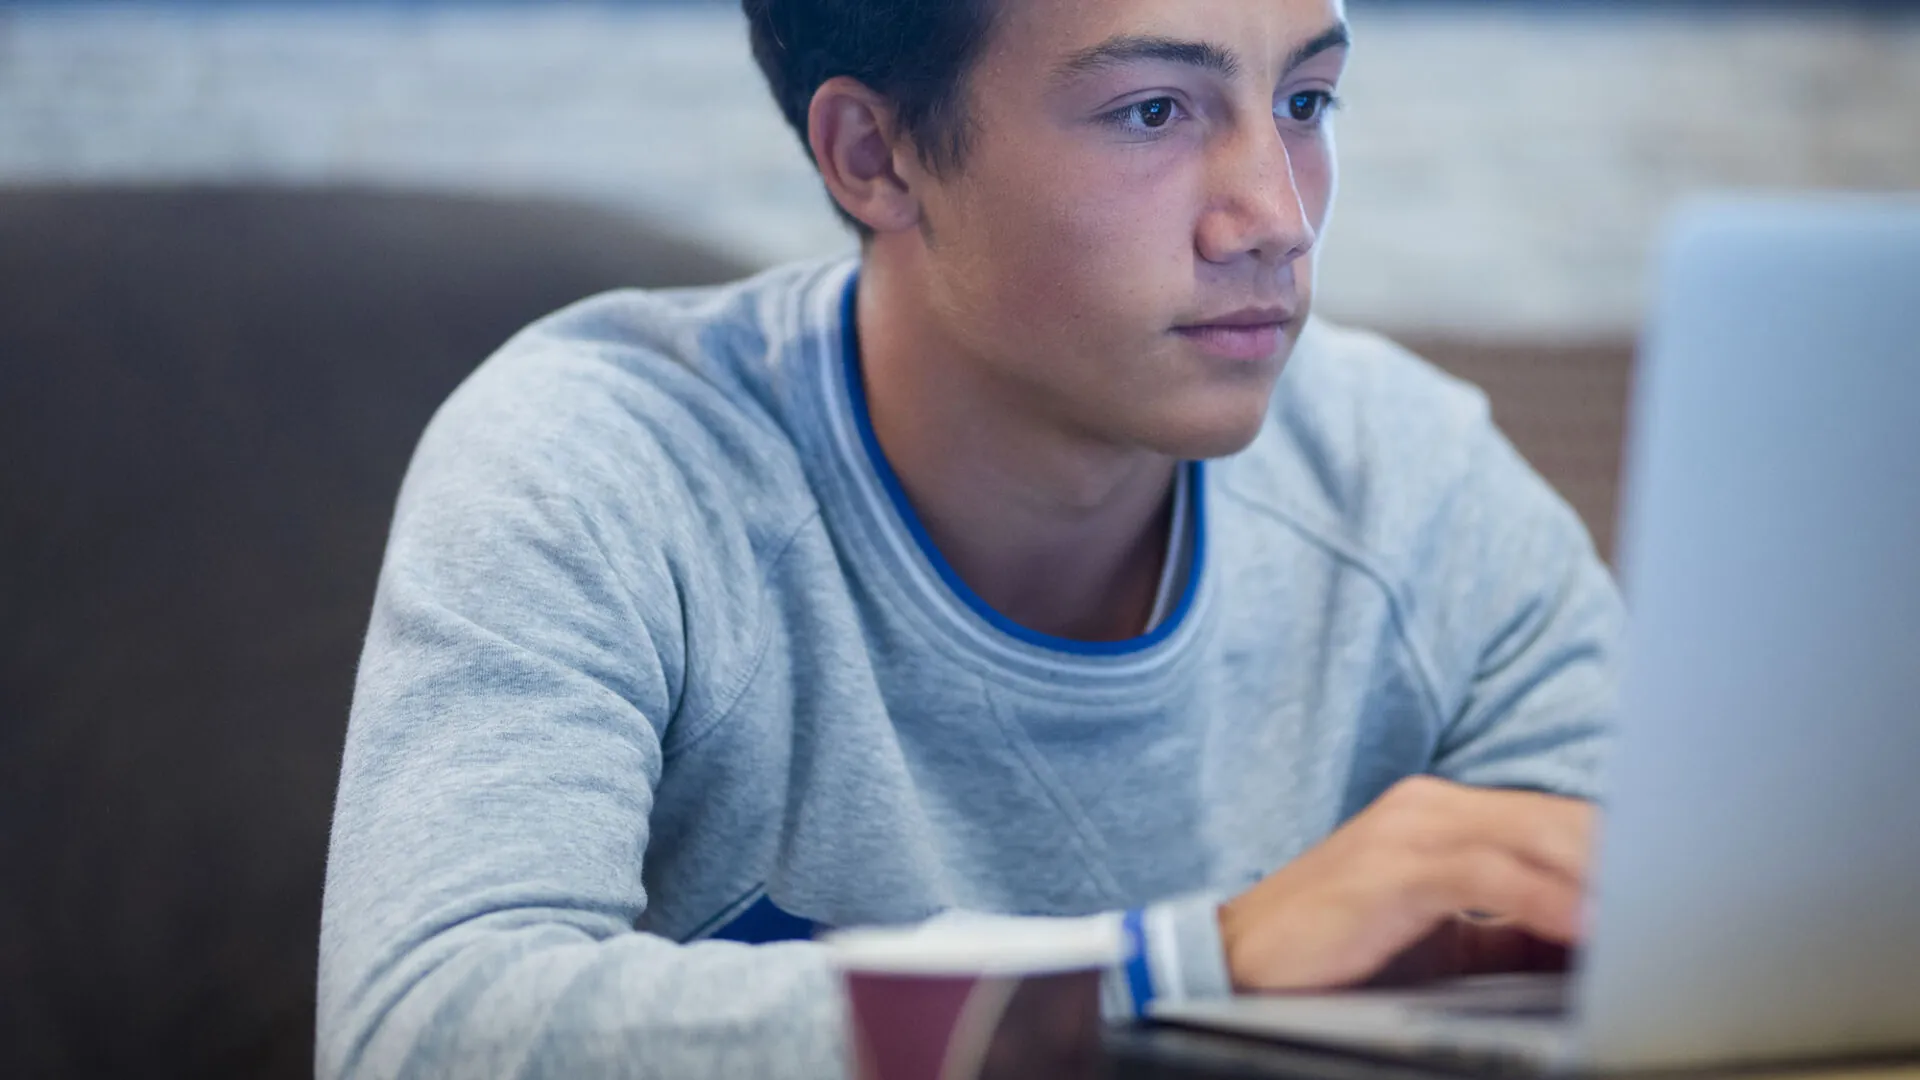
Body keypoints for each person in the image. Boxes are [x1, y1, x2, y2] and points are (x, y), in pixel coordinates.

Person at [315, 0, 1622, 1075]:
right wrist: (1188, 967)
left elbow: (1695, 946)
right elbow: (421, 1037)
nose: (1274, 217)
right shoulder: (601, 465)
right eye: (1154, 112)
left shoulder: (1418, 489)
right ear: (872, 156)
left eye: (1305, 102)